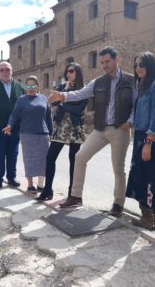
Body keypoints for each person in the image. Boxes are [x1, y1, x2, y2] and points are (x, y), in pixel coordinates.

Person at [48, 46, 134, 217]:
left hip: (120, 130)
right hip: (101, 129)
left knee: (118, 168)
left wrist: (131, 121)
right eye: (102, 62)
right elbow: (80, 94)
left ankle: (118, 204)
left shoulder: (131, 81)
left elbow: (137, 103)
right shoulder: (98, 81)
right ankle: (76, 196)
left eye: (107, 61)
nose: (104, 65)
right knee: (80, 157)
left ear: (117, 60)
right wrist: (63, 96)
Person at [36, 62, 88, 201]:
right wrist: (64, 90)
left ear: (78, 72)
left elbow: (79, 110)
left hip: (75, 128)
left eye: (71, 71)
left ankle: (72, 193)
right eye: (67, 72)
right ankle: (47, 190)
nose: (68, 74)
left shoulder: (84, 90)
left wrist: (63, 103)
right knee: (50, 157)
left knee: (74, 161)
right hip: (61, 127)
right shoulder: (61, 88)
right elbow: (52, 103)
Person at [125, 52, 155, 230]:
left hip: (149, 138)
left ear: (150, 65)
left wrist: (149, 142)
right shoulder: (143, 85)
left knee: (146, 178)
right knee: (144, 177)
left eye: (141, 65)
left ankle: (148, 218)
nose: (138, 68)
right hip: (140, 136)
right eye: (136, 65)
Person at [3, 76, 52, 193]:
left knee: (44, 160)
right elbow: (14, 115)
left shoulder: (43, 98)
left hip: (43, 134)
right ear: (26, 87)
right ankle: (30, 185)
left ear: (37, 86)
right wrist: (10, 125)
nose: (30, 88)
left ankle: (41, 185)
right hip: (27, 134)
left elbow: (48, 117)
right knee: (29, 160)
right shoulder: (21, 99)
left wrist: (51, 132)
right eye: (28, 86)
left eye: (33, 85)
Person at [0, 61, 26, 191]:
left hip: (15, 127)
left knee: (13, 153)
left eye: (7, 69)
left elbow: (26, 104)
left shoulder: (20, 87)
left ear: (12, 70)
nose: (5, 72)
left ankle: (11, 178)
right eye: (2, 70)